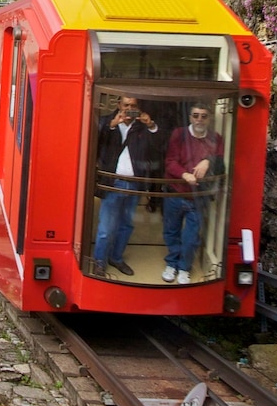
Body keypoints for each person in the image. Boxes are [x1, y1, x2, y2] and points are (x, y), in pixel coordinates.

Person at [93, 96, 161, 276]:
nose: (129, 109)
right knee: (106, 228)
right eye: (126, 106)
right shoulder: (107, 122)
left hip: (134, 184)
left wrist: (151, 126)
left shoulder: (142, 126)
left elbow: (158, 148)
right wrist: (113, 125)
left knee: (126, 226)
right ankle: (99, 261)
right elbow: (95, 145)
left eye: (133, 106)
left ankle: (116, 258)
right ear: (118, 106)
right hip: (113, 183)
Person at [161, 103, 224, 284]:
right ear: (190, 117)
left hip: (199, 196)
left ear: (209, 118)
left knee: (191, 237)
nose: (199, 120)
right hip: (175, 193)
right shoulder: (179, 134)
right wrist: (185, 174)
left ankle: (184, 268)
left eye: (204, 116)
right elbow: (170, 161)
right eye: (196, 115)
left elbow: (220, 162)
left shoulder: (216, 138)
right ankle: (171, 264)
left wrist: (207, 161)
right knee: (171, 231)